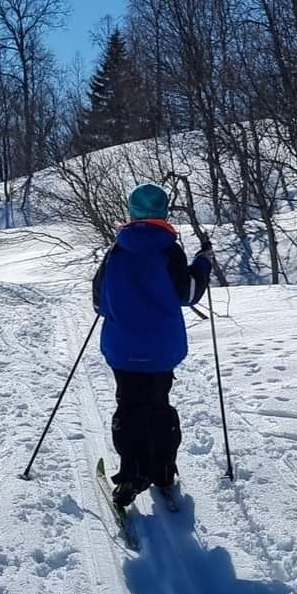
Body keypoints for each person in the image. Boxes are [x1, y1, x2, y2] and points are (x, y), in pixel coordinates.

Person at [92, 184, 213, 515]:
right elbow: (187, 292)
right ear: (164, 214)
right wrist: (203, 265)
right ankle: (162, 473)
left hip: (122, 349)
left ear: (131, 213)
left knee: (129, 408)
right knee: (158, 407)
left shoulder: (116, 251)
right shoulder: (170, 251)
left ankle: (131, 474)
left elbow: (99, 302)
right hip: (160, 350)